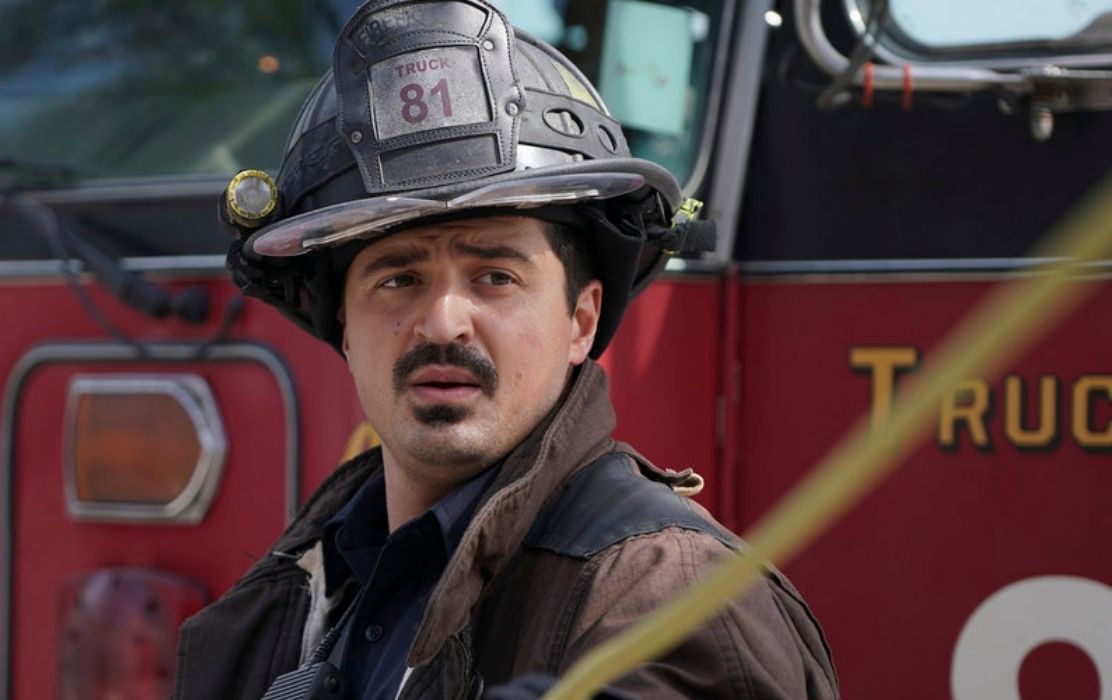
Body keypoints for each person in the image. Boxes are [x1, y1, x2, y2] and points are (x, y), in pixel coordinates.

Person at [173, 0, 839, 697]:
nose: (442, 322)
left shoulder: (672, 596)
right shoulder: (307, 594)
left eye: (495, 276)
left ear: (582, 320)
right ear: (345, 326)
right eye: (398, 279)